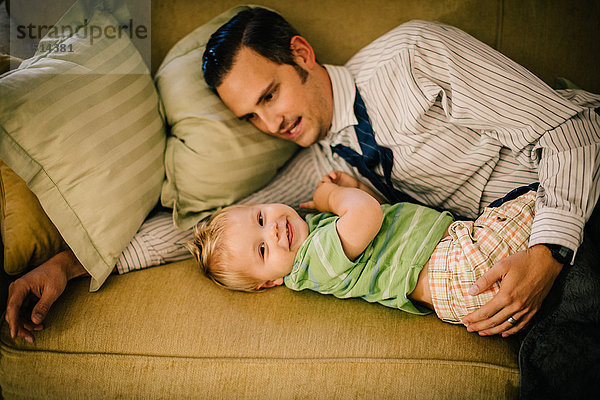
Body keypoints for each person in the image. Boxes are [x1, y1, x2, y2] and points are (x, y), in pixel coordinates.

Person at [201, 8, 600, 396]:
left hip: (576, 193)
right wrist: (136, 250)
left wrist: (550, 252)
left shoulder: (413, 55)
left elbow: (571, 129)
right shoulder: (318, 162)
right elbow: (219, 225)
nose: (271, 126)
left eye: (270, 96)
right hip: (496, 250)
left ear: (301, 54)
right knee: (554, 355)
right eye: (251, 117)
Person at [190, 170, 537, 327]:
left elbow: (384, 221)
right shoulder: (312, 263)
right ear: (270, 282)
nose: (275, 231)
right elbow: (367, 214)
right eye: (263, 250)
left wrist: (354, 187)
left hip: (456, 292)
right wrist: (331, 197)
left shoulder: (319, 237)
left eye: (261, 218)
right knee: (540, 199)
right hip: (454, 265)